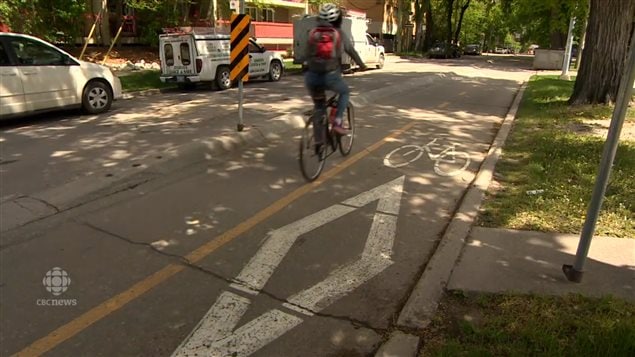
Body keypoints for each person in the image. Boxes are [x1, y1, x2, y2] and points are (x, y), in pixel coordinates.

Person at [304, 3, 367, 145]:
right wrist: (362, 65)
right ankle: (338, 122)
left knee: (319, 106)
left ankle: (319, 140)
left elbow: (304, 54)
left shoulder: (312, 32)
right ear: (338, 19)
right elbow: (351, 51)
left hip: (312, 77)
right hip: (330, 77)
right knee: (344, 92)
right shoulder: (339, 33)